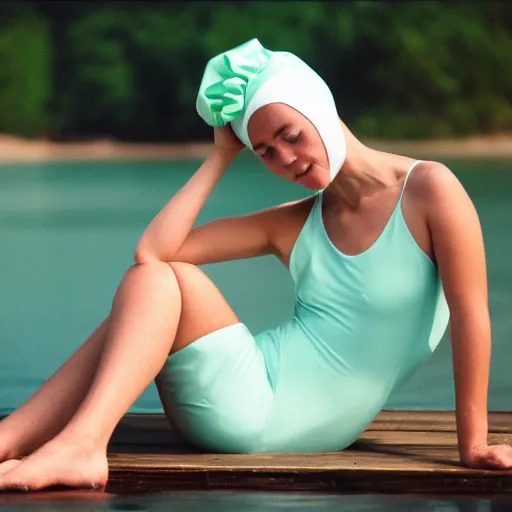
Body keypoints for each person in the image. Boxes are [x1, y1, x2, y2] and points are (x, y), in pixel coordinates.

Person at [0, 38, 511, 493]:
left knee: (158, 288)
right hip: (239, 391)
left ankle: (75, 443)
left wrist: (473, 445)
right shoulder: (295, 223)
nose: (286, 158)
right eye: (265, 152)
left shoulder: (430, 190)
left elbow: (471, 316)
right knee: (155, 284)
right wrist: (221, 155)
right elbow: (153, 252)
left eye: (290, 135)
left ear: (320, 105)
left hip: (288, 421)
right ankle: (28, 439)